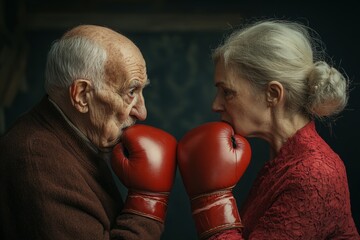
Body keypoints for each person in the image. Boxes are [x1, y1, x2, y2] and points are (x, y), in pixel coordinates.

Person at [177, 19, 360, 239]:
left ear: (273, 94)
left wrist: (211, 199)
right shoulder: (285, 163)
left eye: (227, 92)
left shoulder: (313, 174)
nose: (215, 105)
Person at [0, 24, 177, 239]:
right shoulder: (38, 162)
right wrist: (148, 201)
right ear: (82, 96)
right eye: (131, 92)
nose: (142, 112)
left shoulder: (68, 138)